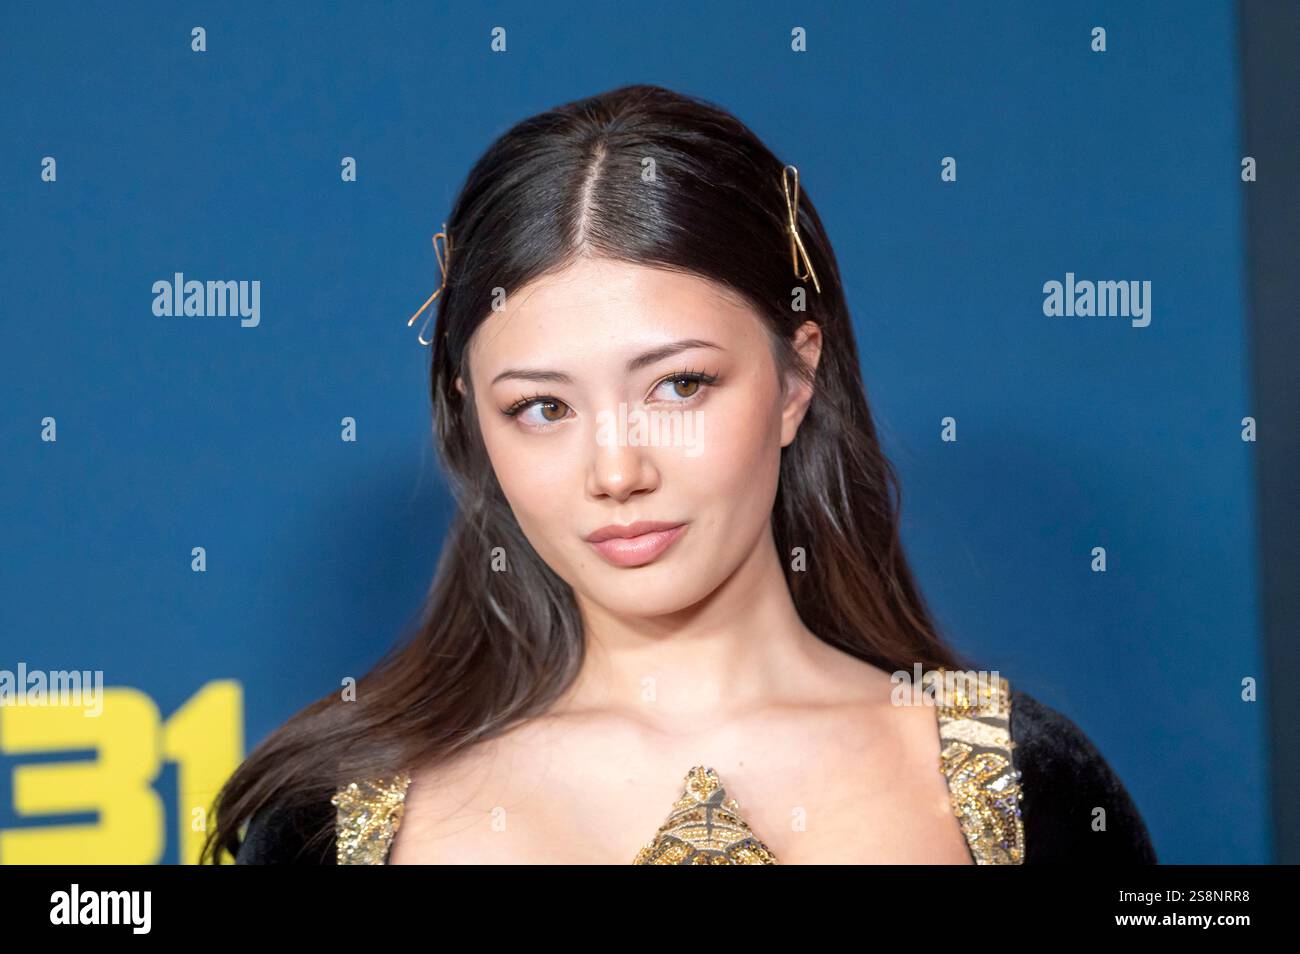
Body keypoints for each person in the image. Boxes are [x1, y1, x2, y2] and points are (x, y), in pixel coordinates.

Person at [205, 83, 1156, 866]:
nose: (616, 470)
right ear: (474, 421)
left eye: (680, 384)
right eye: (542, 408)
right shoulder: (338, 818)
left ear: (796, 378)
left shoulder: (1021, 784)